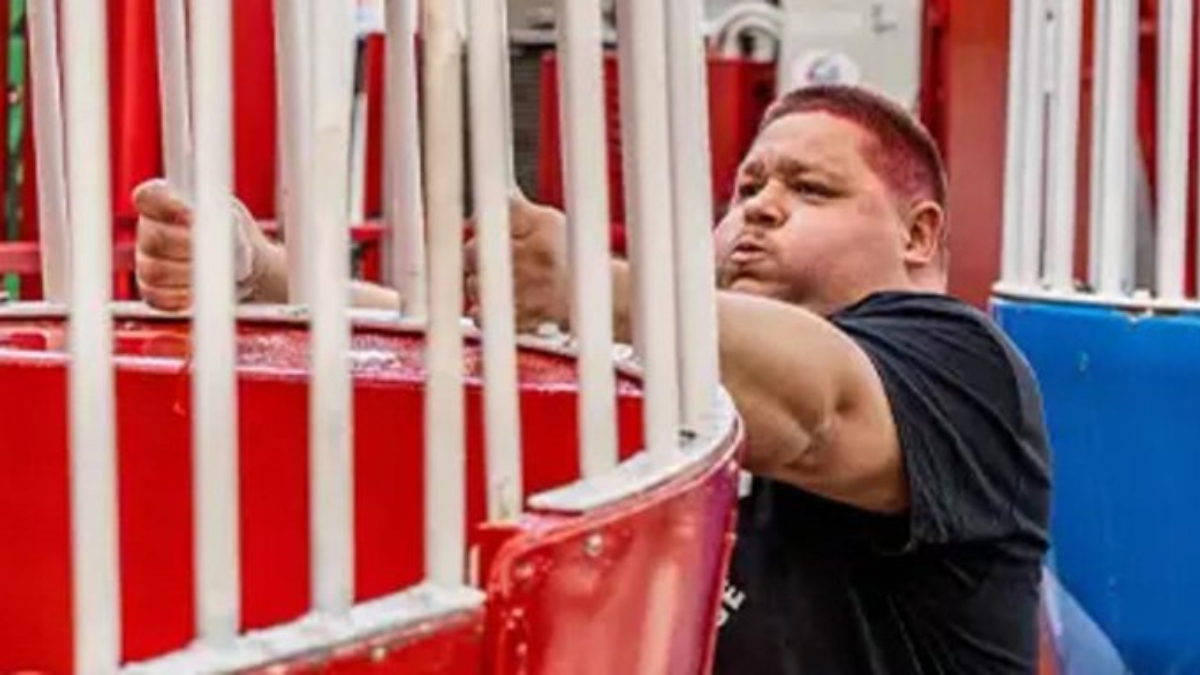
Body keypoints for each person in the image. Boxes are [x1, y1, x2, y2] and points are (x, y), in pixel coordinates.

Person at [134, 83, 1051, 674]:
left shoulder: (961, 364)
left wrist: (596, 289)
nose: (761, 208)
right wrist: (265, 274)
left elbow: (822, 410)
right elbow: (470, 347)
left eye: (810, 191)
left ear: (920, 236)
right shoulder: (690, 370)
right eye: (745, 191)